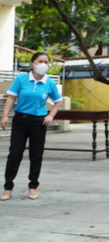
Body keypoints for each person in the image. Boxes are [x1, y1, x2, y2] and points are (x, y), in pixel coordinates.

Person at [1, 52, 63, 201]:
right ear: (32, 64)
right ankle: (8, 187)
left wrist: (50, 115)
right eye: (40, 61)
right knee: (15, 154)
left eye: (46, 62)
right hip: (20, 120)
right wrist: (4, 116)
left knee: (36, 155)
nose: (43, 64)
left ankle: (33, 186)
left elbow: (58, 101)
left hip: (38, 122)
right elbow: (11, 97)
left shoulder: (50, 83)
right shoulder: (21, 79)